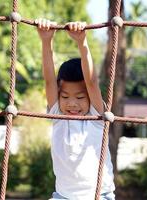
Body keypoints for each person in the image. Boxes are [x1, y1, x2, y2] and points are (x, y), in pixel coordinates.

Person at [35, 18, 115, 200]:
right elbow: (49, 79)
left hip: (99, 195)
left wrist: (82, 42)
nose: (72, 103)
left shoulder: (96, 118)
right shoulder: (58, 115)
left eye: (79, 98)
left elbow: (92, 82)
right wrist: (46, 41)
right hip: (63, 196)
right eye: (65, 97)